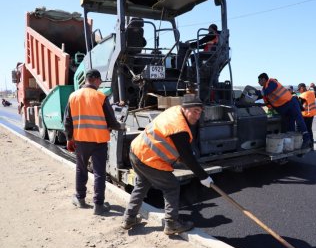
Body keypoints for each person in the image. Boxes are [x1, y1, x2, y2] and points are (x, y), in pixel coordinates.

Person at [121, 95, 214, 235]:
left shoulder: (176, 111)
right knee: (171, 186)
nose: (197, 115)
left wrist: (185, 155)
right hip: (148, 158)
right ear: (185, 108)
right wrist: (203, 176)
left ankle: (129, 219)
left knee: (142, 184)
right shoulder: (179, 127)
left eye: (200, 111)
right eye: (195, 111)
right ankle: (172, 223)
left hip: (137, 150)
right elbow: (187, 157)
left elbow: (180, 149)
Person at [64, 69, 125, 215]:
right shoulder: (100, 96)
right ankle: (98, 205)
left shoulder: (73, 96)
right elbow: (111, 120)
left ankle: (80, 198)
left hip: (81, 140)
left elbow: (67, 121)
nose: (100, 84)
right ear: (96, 80)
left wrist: (69, 138)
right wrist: (121, 126)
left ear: (86, 80)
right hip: (99, 141)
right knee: (99, 173)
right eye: (100, 81)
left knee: (81, 169)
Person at [257, 73, 311, 149]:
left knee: (299, 120)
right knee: (289, 125)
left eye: (259, 80)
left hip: (291, 103)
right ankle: (292, 145)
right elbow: (265, 99)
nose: (258, 82)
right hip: (284, 108)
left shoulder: (271, 82)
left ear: (263, 79)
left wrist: (256, 93)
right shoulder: (264, 90)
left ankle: (306, 139)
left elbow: (267, 91)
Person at [297, 83, 316, 150]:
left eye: (299, 89)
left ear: (302, 88)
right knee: (309, 129)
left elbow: (299, 107)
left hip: (305, 115)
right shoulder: (311, 93)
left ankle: (304, 144)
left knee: (302, 130)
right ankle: (311, 145)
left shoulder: (303, 95)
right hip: (311, 114)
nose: (299, 91)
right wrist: (314, 87)